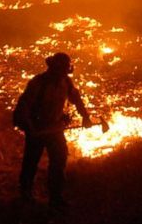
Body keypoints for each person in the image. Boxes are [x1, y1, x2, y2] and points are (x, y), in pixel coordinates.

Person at [17, 52, 92, 208]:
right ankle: (25, 195)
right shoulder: (38, 83)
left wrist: (85, 116)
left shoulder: (66, 82)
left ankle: (56, 197)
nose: (64, 73)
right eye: (62, 70)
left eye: (66, 70)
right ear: (53, 68)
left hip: (55, 129)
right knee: (31, 163)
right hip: (37, 130)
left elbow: (76, 99)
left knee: (59, 161)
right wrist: (29, 128)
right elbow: (24, 105)